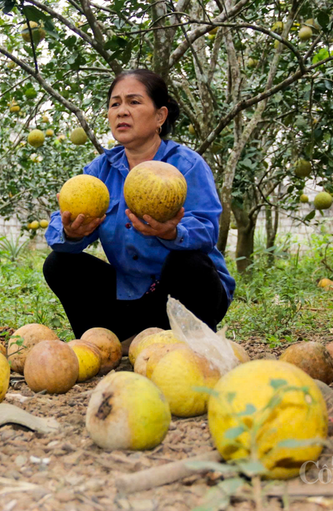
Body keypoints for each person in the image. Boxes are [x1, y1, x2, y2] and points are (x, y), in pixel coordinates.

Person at [43, 69, 235, 348]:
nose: (122, 111)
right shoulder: (100, 171)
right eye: (115, 104)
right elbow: (58, 226)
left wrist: (173, 233)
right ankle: (107, 345)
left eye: (134, 102)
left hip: (183, 294)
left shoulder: (186, 165)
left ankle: (180, 341)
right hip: (129, 296)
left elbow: (207, 229)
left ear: (160, 116)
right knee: (60, 265)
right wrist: (71, 233)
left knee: (189, 264)